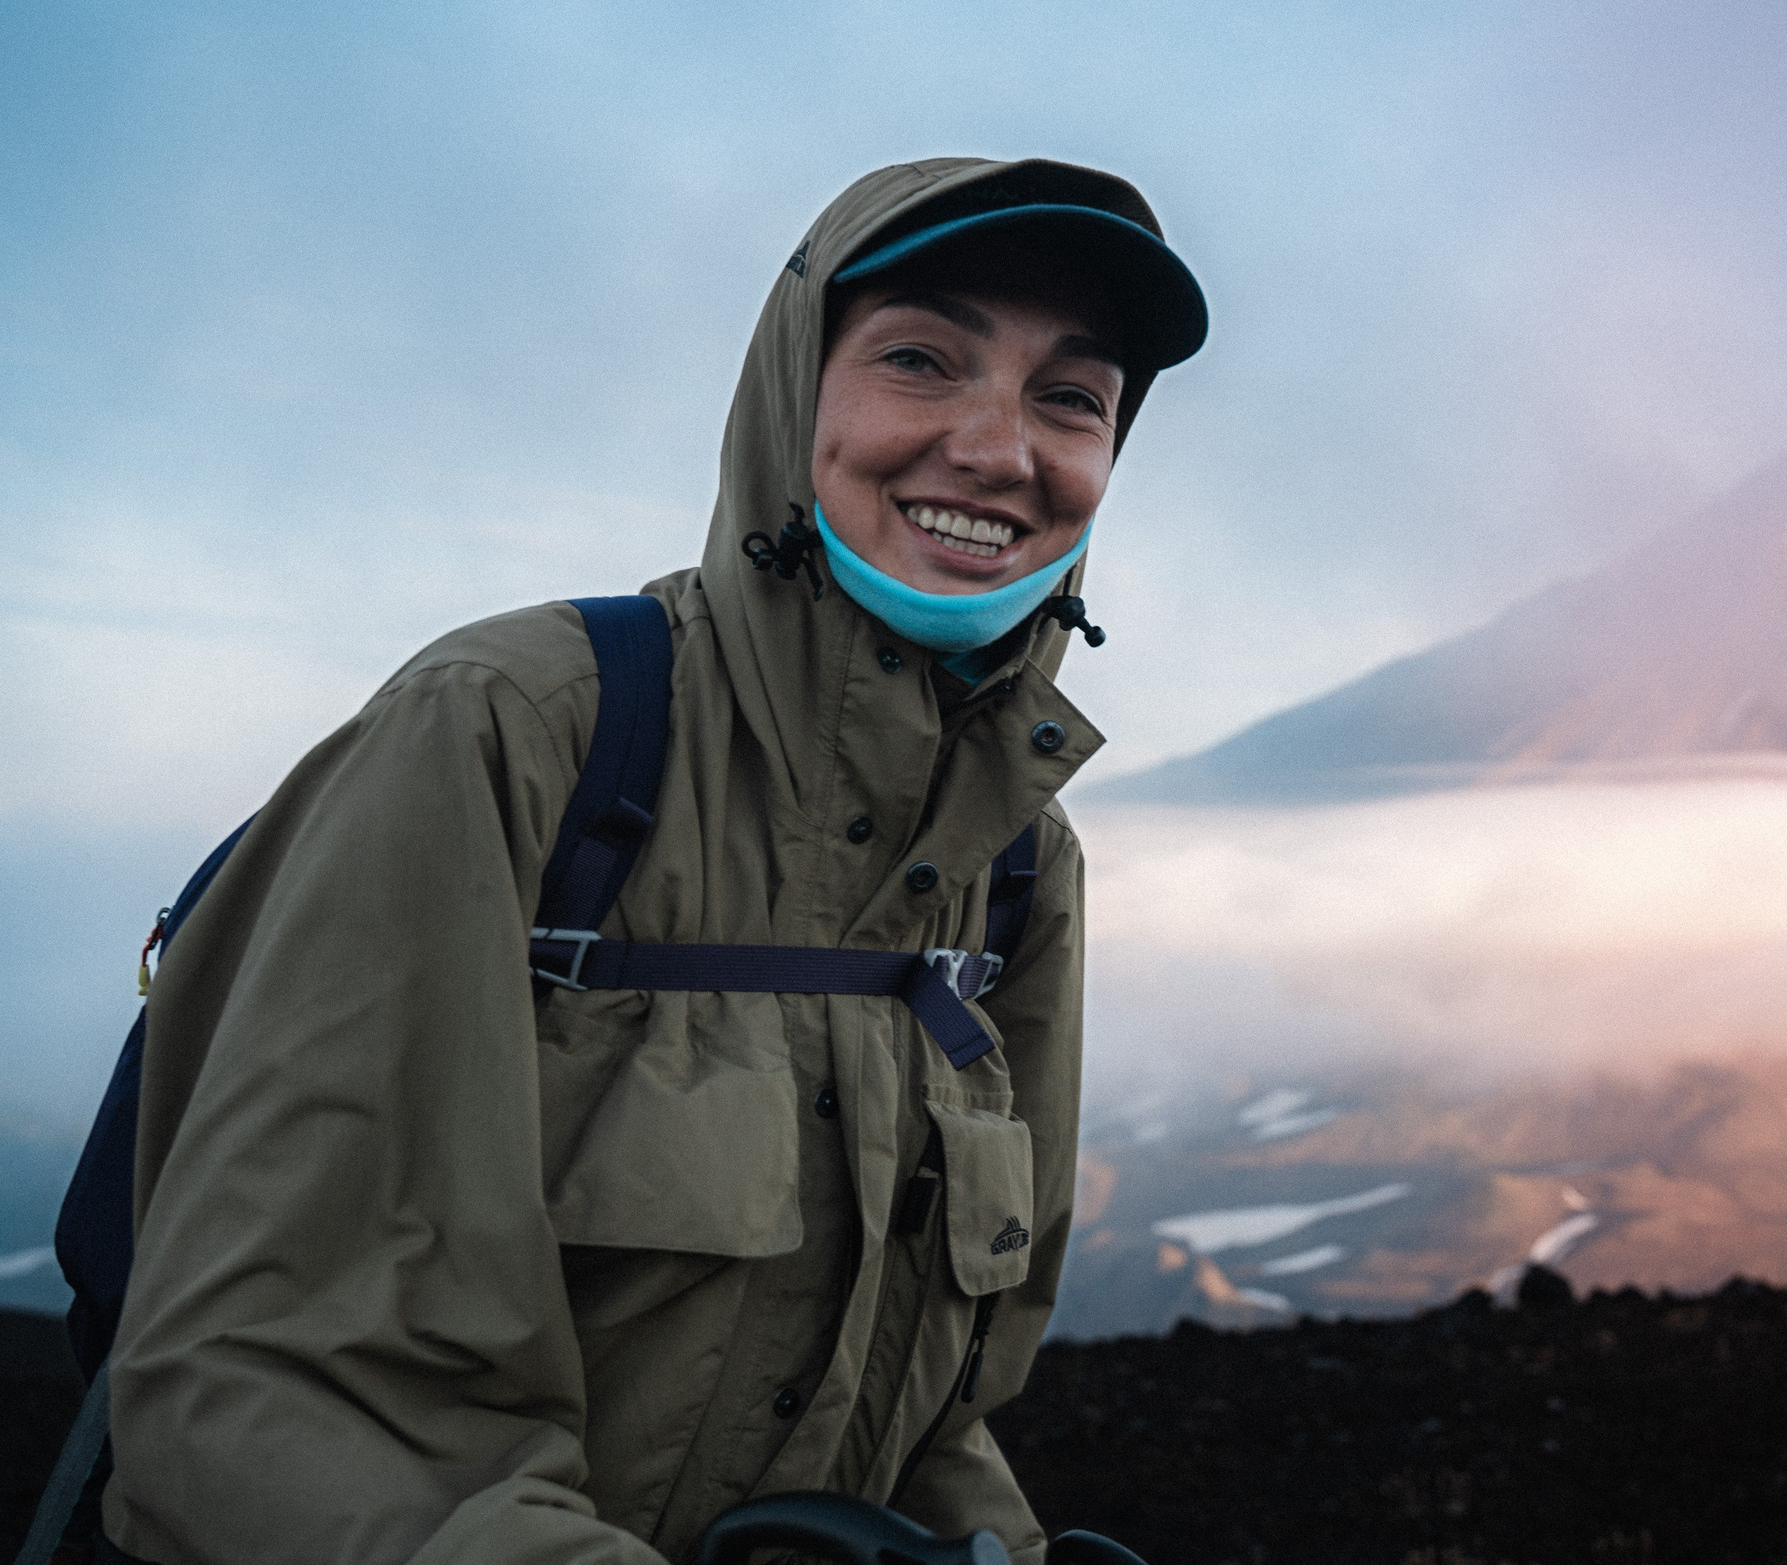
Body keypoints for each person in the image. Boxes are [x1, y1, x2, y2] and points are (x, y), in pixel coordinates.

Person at [97, 156, 1208, 1565]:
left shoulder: (1019, 863)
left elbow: (930, 1418)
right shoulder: (515, 730)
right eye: (921, 360)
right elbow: (273, 1384)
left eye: (1072, 399)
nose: (1001, 451)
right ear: (791, 393)